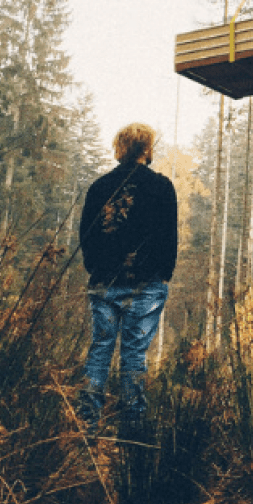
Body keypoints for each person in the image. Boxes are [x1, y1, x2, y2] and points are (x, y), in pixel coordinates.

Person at [77, 122, 178, 431]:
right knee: (134, 354)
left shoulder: (100, 187)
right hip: (146, 284)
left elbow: (87, 235)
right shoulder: (161, 187)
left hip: (104, 283)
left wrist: (96, 270)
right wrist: (163, 274)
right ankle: (131, 431)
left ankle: (86, 426)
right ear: (148, 149)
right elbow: (168, 237)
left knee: (100, 350)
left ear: (119, 147)